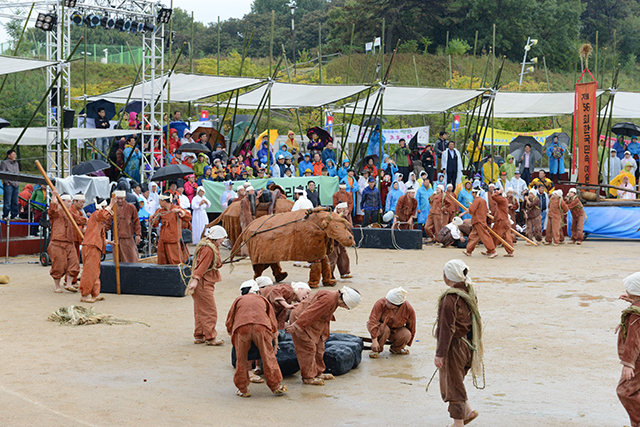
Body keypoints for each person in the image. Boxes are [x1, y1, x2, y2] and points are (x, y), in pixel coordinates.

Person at [435, 259, 483, 427]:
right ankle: (468, 411)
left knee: (453, 386)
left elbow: (445, 329)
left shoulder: (450, 299)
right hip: (468, 345)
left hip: (455, 348)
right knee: (457, 381)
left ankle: (458, 424)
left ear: (448, 278)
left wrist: (440, 354)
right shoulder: (469, 292)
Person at [285, 287, 361, 385]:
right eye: (346, 306)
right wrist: (296, 326)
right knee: (308, 348)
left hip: (314, 323)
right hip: (301, 319)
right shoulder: (329, 299)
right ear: (343, 300)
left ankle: (318, 372)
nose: (344, 307)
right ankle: (308, 377)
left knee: (319, 348)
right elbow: (311, 313)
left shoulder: (334, 298)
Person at [225, 280, 287, 398]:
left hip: (241, 328)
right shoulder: (262, 299)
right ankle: (276, 387)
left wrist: (231, 332)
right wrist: (274, 335)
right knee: (268, 356)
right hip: (261, 327)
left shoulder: (238, 300)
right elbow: (272, 320)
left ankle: (243, 390)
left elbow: (230, 319)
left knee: (241, 359)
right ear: (257, 291)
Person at [186, 225, 226, 346]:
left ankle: (199, 336)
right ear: (216, 237)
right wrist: (195, 280)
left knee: (200, 309)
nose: (223, 241)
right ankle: (211, 337)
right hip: (203, 283)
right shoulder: (209, 249)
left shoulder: (207, 246)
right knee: (209, 310)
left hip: (203, 283)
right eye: (222, 238)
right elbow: (202, 266)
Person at [79, 197, 115, 303]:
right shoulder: (96, 214)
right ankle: (85, 294)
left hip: (94, 245)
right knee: (89, 271)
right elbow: (103, 215)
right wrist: (111, 204)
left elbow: (98, 233)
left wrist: (106, 241)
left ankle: (94, 293)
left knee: (95, 271)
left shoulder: (97, 219)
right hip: (91, 246)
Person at [616, 272, 640, 427]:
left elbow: (634, 339)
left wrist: (628, 363)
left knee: (625, 391)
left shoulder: (635, 315)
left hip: (638, 359)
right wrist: (633, 300)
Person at [367, 287, 416, 358]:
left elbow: (412, 326)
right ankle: (376, 350)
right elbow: (373, 321)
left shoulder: (408, 309)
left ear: (396, 305)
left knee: (407, 334)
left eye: (389, 303)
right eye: (386, 300)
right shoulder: (380, 303)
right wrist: (374, 340)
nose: (385, 303)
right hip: (379, 328)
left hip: (394, 330)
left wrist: (407, 341)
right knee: (385, 329)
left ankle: (396, 349)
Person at [48, 191, 80, 293]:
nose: (70, 203)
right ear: (62, 201)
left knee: (74, 263)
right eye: (68, 201)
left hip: (69, 242)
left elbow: (78, 220)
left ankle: (69, 284)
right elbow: (52, 209)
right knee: (59, 265)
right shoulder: (55, 212)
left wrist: (90, 219)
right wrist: (54, 196)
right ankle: (57, 286)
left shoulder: (70, 213)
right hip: (58, 242)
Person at [151, 192, 191, 264]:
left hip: (173, 240)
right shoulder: (160, 211)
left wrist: (180, 211)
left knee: (175, 261)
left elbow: (188, 217)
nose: (159, 202)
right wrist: (152, 218)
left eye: (160, 200)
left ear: (164, 201)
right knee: (162, 262)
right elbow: (154, 225)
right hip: (162, 240)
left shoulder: (177, 209)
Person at [109, 190, 141, 263]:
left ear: (125, 197)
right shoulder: (112, 208)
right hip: (117, 239)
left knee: (131, 260)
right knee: (118, 262)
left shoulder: (131, 207)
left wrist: (138, 234)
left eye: (122, 198)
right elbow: (107, 223)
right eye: (118, 198)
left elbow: (136, 222)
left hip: (128, 238)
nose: (120, 201)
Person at [464, 188, 497, 258]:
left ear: (475, 193)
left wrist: (468, 210)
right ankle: (469, 251)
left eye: (473, 193)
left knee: (485, 236)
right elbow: (487, 210)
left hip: (479, 221)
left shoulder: (477, 200)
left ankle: (492, 251)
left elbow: (472, 209)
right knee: (473, 236)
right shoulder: (483, 200)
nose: (472, 194)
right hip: (478, 221)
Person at [329, 202, 352, 279]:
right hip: (333, 241)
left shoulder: (346, 217)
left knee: (343, 256)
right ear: (338, 209)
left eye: (346, 209)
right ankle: (329, 275)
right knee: (332, 258)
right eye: (343, 209)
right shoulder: (333, 217)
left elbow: (349, 228)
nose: (346, 210)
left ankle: (344, 273)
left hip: (341, 241)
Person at [68, 194, 87, 286]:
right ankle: (69, 280)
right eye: (80, 202)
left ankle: (73, 280)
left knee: (76, 260)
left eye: (83, 202)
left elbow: (81, 223)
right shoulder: (70, 210)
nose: (82, 204)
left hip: (77, 238)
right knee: (72, 261)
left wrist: (83, 229)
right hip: (71, 237)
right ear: (74, 201)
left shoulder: (79, 212)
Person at [491, 189, 514, 257]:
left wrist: (497, 192)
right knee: (507, 236)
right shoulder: (504, 199)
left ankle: (491, 250)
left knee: (495, 235)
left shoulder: (502, 199)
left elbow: (493, 196)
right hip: (505, 220)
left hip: (501, 220)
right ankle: (510, 251)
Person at [1, 149, 19, 220]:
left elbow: (18, 173)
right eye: (13, 154)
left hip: (16, 184)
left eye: (15, 154)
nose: (15, 156)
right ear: (9, 156)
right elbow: (2, 174)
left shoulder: (16, 163)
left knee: (15, 201)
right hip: (9, 184)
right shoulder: (5, 163)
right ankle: (5, 215)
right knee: (7, 201)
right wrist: (7, 183)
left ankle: (14, 215)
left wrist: (18, 182)